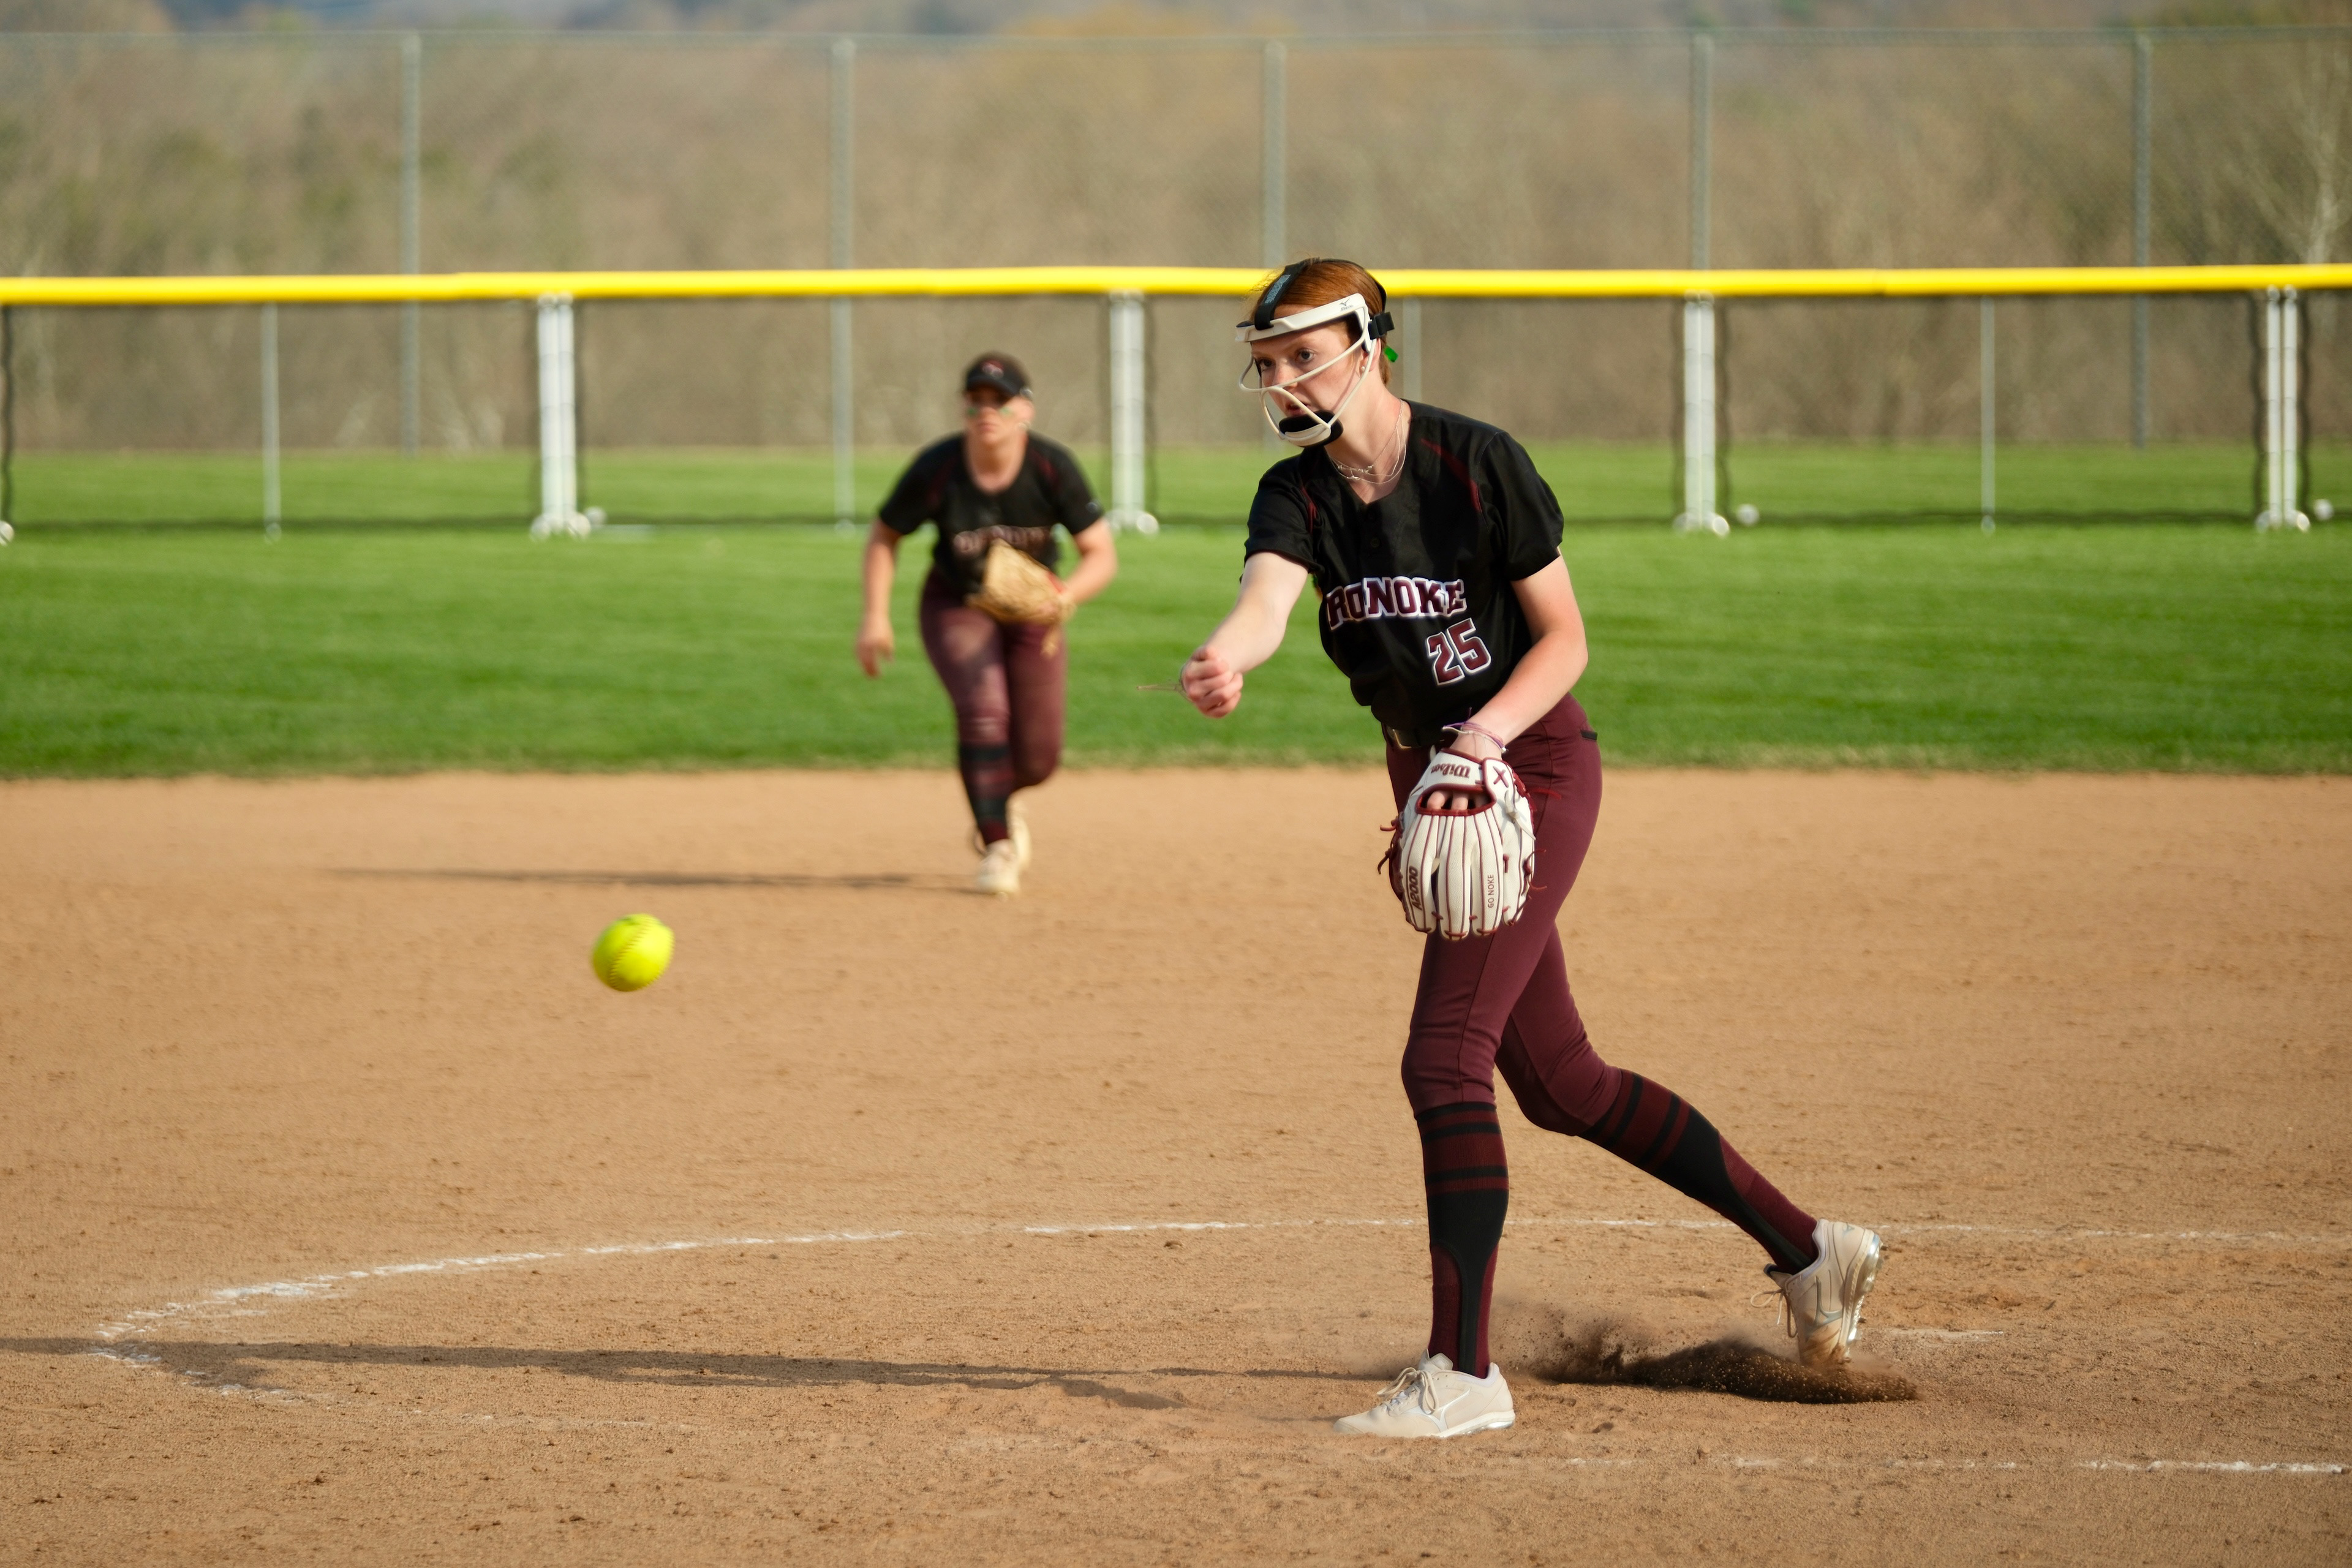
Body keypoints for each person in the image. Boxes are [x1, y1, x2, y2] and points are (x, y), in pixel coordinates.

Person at [1180, 259, 1882, 1439]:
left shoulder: (1476, 462)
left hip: (1528, 766)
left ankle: (1464, 1373)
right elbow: (1266, 597)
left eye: (1302, 354)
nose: (1282, 379)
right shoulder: (1294, 496)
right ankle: (1811, 1250)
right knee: (1562, 1084)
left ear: (1371, 346)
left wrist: (1481, 744)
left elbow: (1564, 641)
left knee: (1442, 1059)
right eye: (1266, 362)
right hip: (1435, 778)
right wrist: (1232, 653)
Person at [858, 353, 1117, 896]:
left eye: (999, 400)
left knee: (1039, 758)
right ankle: (996, 842)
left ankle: (996, 796)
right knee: (983, 710)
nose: (986, 411)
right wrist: (875, 616)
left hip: (1033, 613)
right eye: (975, 400)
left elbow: (1101, 554)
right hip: (959, 603)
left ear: (1025, 409)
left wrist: (1065, 595)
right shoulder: (939, 468)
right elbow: (885, 536)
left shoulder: (1051, 467)